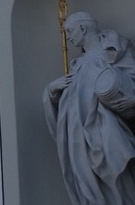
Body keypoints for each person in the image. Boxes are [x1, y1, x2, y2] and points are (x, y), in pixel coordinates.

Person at [46, 11, 135, 205]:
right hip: (78, 137)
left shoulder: (114, 51)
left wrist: (131, 101)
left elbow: (131, 81)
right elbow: (68, 104)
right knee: (87, 184)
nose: (68, 37)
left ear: (83, 28)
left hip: (107, 129)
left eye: (70, 31)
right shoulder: (76, 64)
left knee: (117, 175)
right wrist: (52, 91)